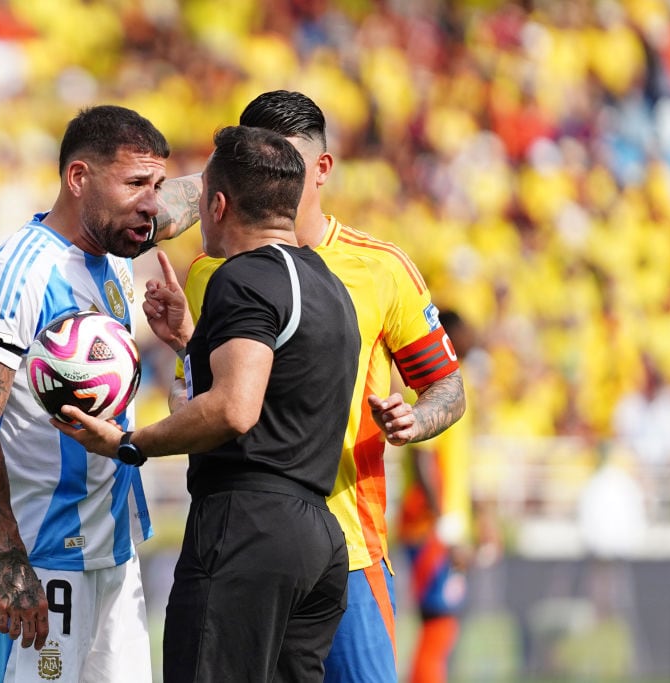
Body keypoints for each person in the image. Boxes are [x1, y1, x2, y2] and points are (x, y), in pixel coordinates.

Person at [176, 91, 467, 683]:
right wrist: (184, 338)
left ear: (322, 169)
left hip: (352, 548)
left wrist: (417, 419)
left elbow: (447, 385)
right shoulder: (213, 269)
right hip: (246, 543)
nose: (270, 174)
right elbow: (216, 389)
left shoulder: (380, 268)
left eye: (282, 159)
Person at [54, 124, 362, 683]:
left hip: (247, 529)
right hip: (317, 538)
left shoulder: (242, 277)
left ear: (217, 205)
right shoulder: (327, 283)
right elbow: (277, 388)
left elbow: (234, 409)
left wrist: (129, 443)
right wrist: (191, 343)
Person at [0, 104, 200, 683]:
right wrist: (10, 560)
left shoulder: (117, 245)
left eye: (157, 184)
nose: (152, 202)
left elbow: (189, 201)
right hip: (41, 559)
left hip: (114, 552)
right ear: (78, 178)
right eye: (137, 183)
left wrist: (257, 151)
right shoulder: (21, 273)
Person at [397, 310, 477, 683]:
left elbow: (456, 466)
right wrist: (445, 529)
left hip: (442, 525)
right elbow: (424, 457)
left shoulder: (457, 385)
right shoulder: (437, 389)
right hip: (429, 526)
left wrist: (475, 517)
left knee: (443, 622)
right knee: (438, 619)